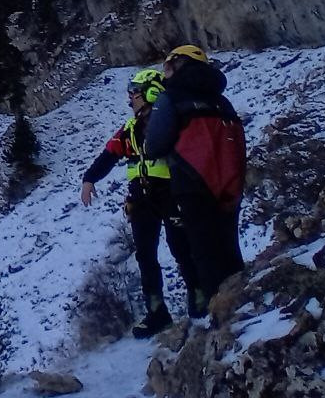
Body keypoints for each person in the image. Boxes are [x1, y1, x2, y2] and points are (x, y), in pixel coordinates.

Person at [81, 68, 198, 338]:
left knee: (182, 248)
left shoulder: (173, 121)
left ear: (152, 92)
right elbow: (109, 154)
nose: (130, 97)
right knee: (146, 256)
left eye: (135, 91)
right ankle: (156, 312)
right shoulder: (131, 129)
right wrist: (89, 179)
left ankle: (199, 297)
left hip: (170, 193)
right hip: (142, 198)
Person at [144, 45, 247, 320]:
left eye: (168, 65)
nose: (165, 71)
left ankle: (222, 318)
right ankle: (247, 304)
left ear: (180, 64)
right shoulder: (221, 101)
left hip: (192, 183)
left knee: (204, 253)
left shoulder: (171, 98)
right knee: (229, 248)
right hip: (230, 182)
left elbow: (154, 145)